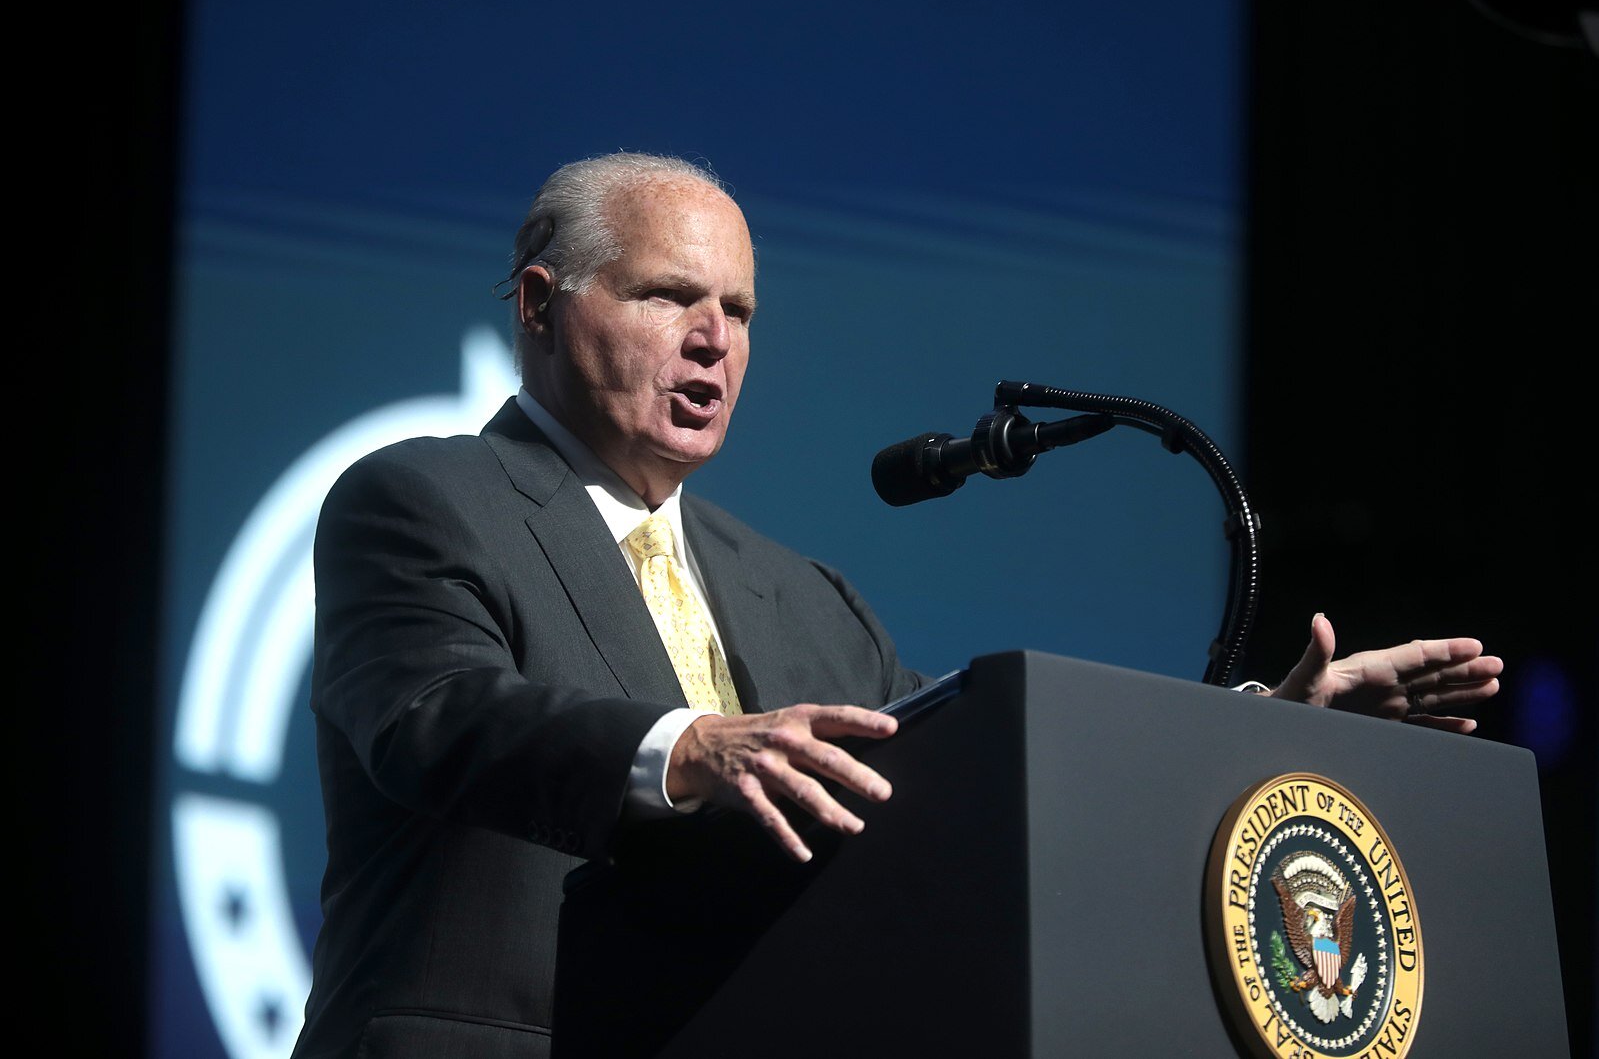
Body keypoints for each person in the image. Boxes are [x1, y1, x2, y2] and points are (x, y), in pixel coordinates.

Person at [290, 152, 1502, 1058]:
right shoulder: (420, 499)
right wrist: (693, 746)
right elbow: (437, 716)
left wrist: (1255, 735)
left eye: (742, 312)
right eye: (670, 298)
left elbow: (982, 785)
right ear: (543, 304)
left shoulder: (803, 599)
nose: (715, 342)